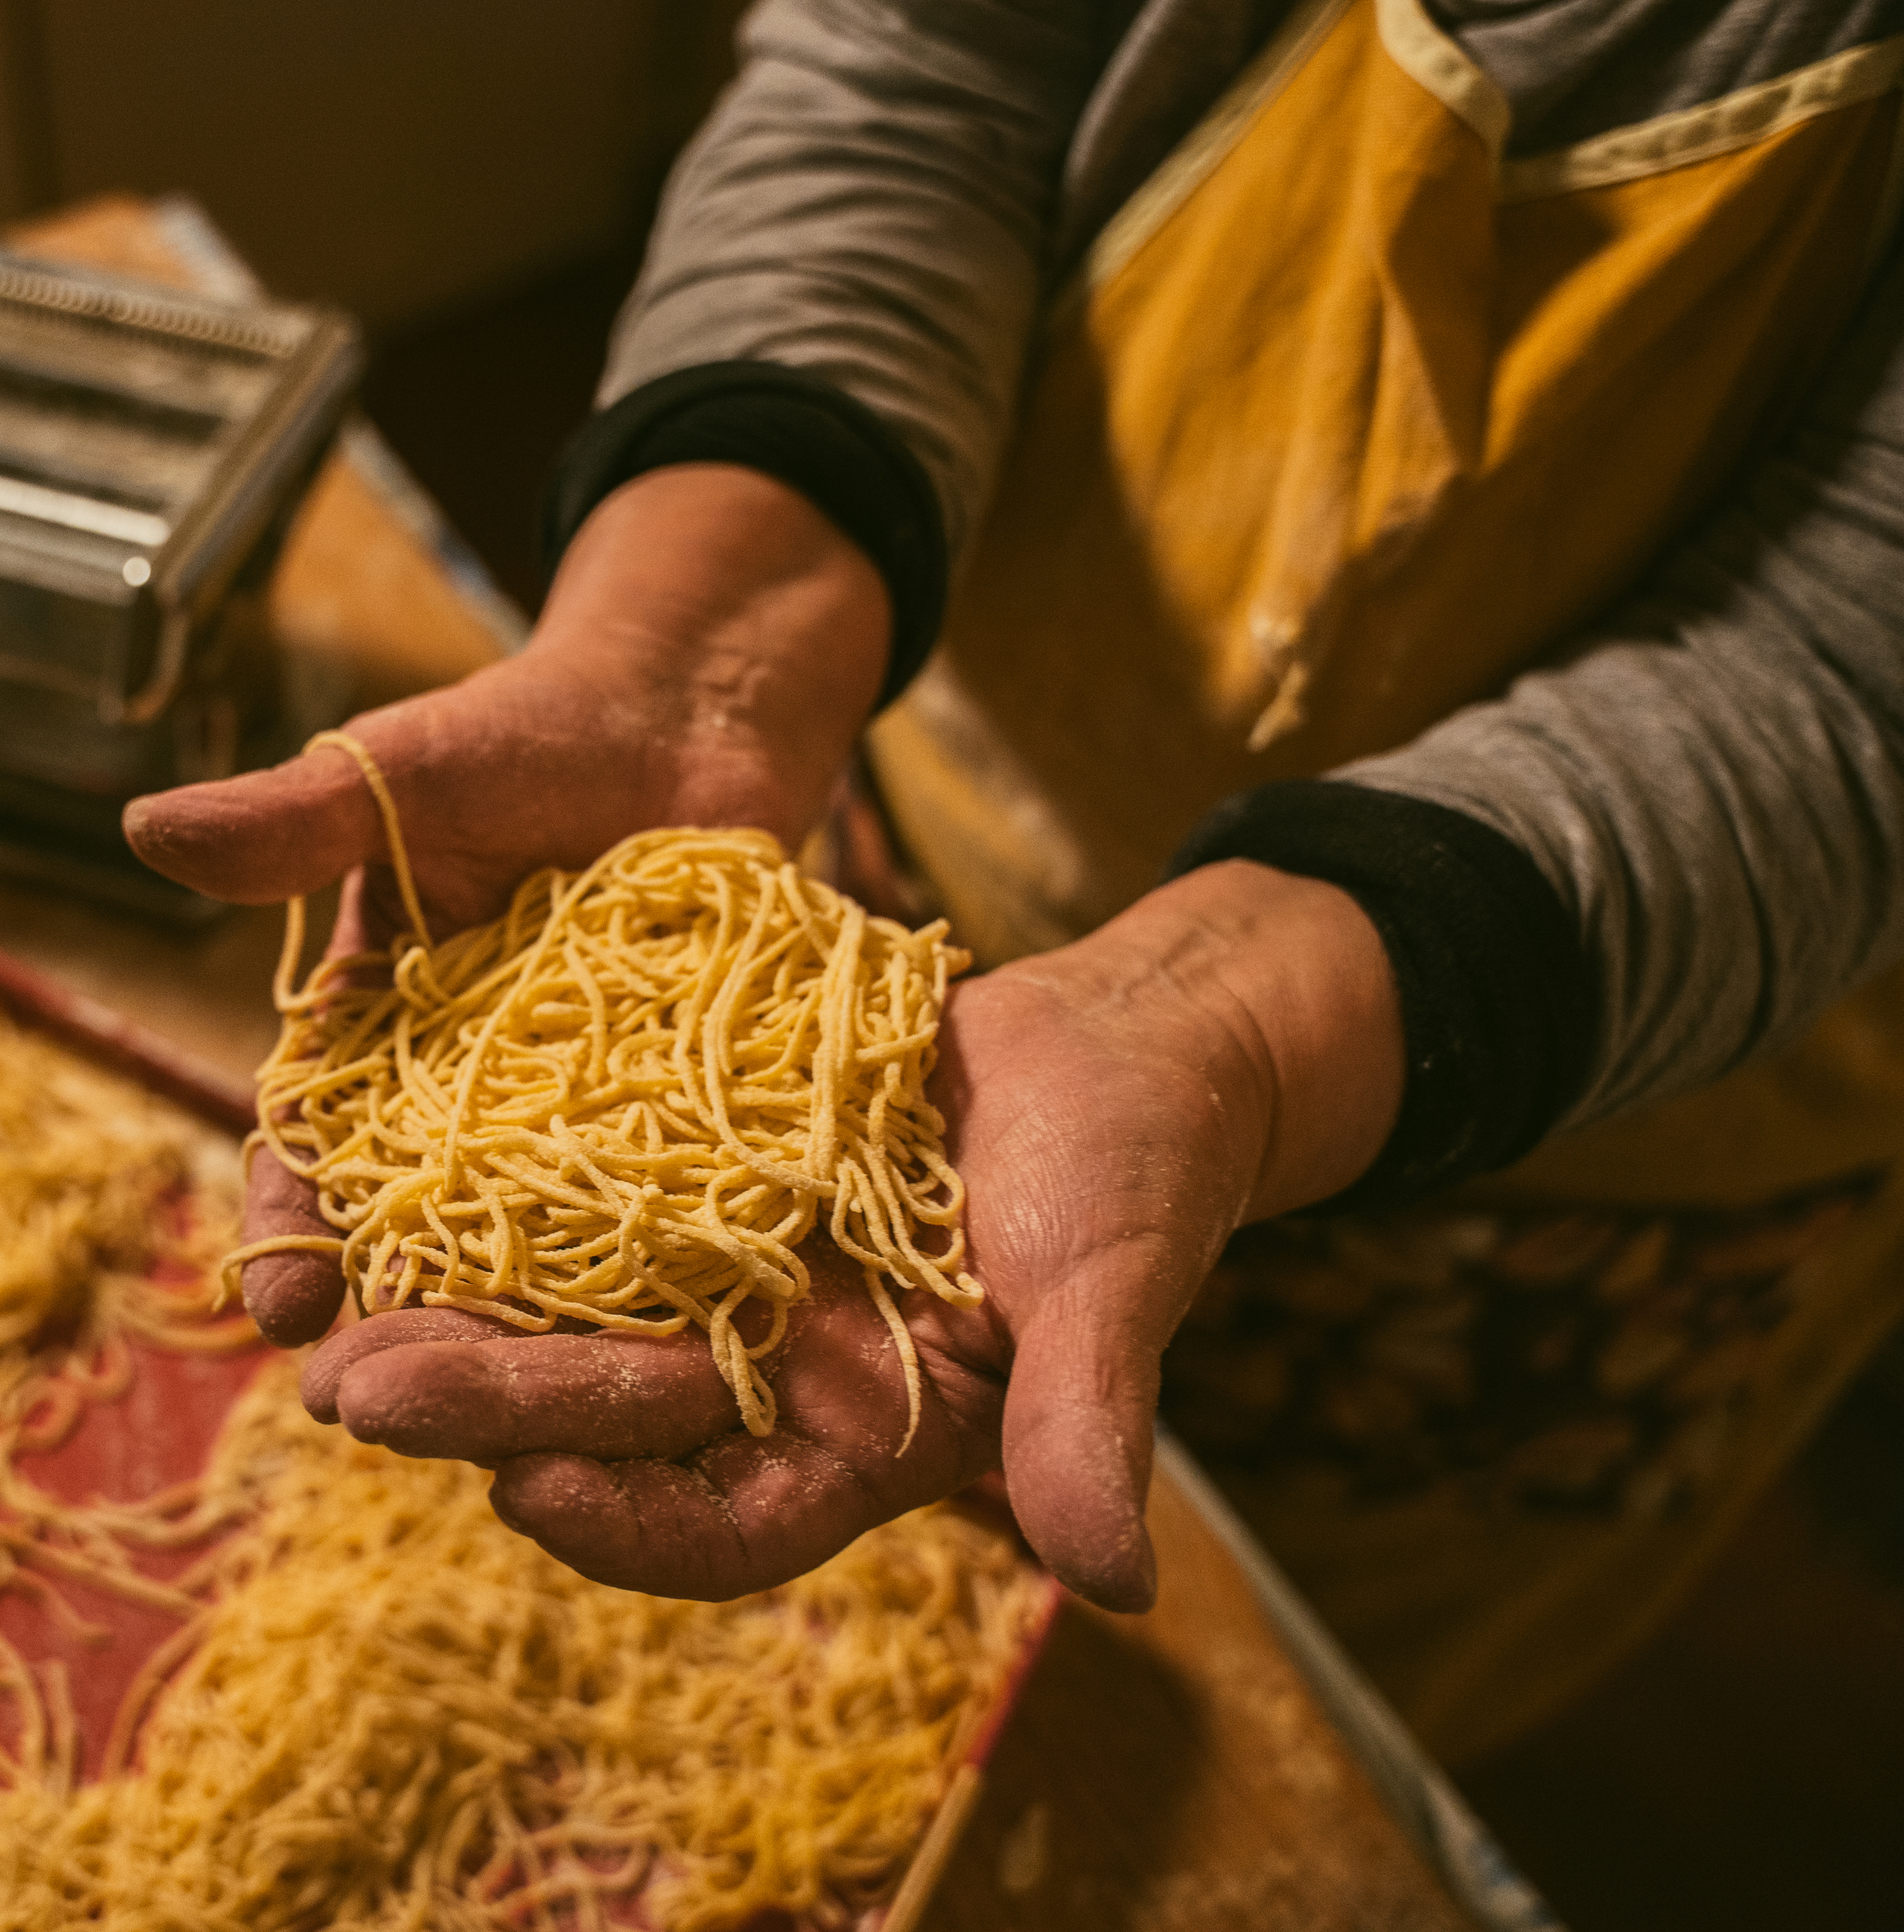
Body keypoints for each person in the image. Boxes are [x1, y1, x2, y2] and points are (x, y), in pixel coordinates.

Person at [128, 0, 1904, 1753]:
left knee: (1273, 1689)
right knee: (906, 1567)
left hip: (1572, 1067)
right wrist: (704, 628)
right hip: (921, 879)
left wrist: (1242, 1030)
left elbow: (1848, 672)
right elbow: (918, 71)